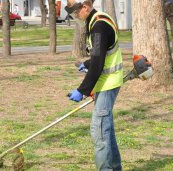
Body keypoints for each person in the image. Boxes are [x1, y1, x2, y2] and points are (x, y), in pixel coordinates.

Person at [65, 0, 123, 170]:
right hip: (108, 82)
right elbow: (102, 54)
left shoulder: (98, 26)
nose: (75, 15)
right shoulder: (98, 19)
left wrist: (82, 90)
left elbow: (99, 64)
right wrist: (88, 64)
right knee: (107, 130)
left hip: (108, 83)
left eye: (76, 12)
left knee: (99, 131)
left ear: (86, 7)